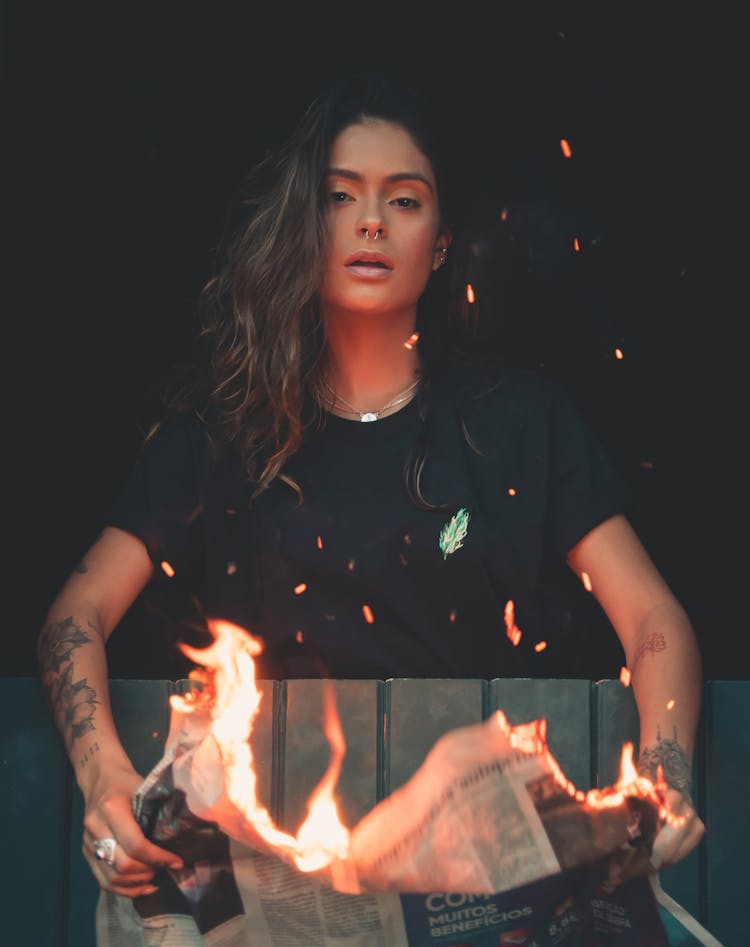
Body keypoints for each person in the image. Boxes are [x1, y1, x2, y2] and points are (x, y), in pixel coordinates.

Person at [37, 72, 705, 903]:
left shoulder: (521, 423)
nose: (370, 222)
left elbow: (651, 618)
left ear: (443, 239)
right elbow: (76, 614)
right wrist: (103, 774)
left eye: (405, 200)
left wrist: (664, 773)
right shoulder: (219, 434)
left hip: (482, 878)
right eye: (339, 196)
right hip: (273, 876)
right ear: (301, 225)